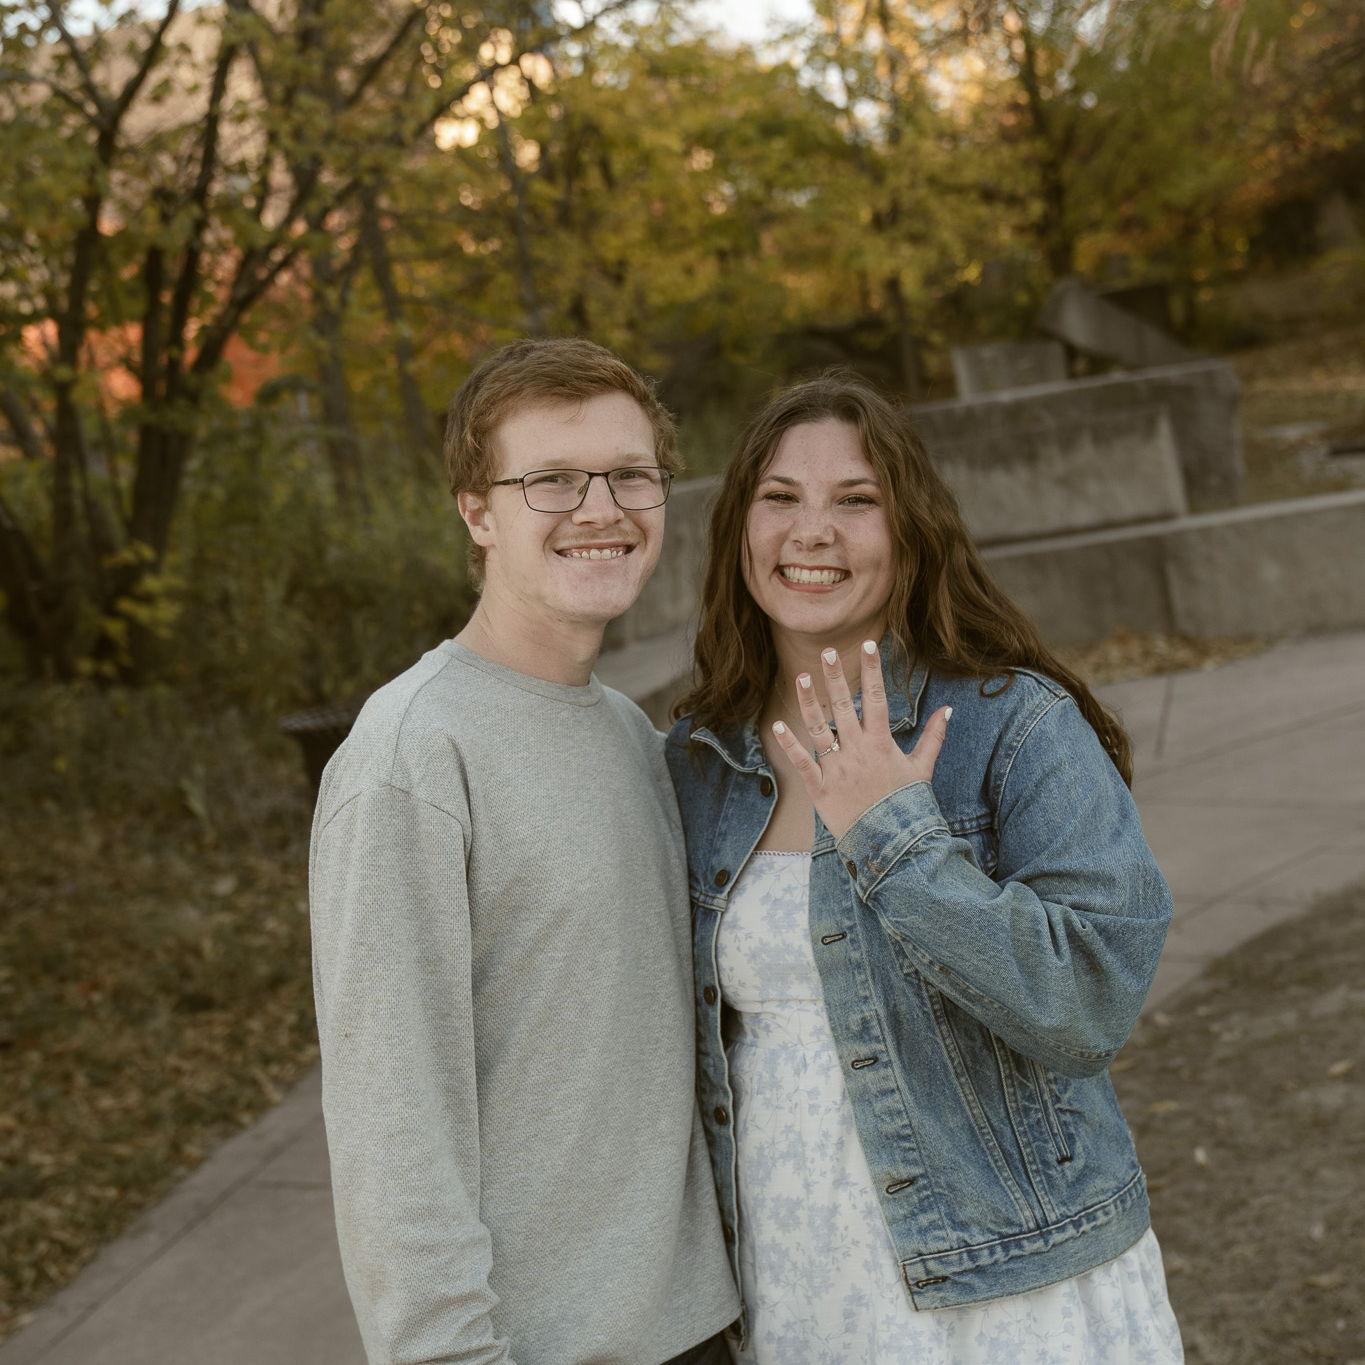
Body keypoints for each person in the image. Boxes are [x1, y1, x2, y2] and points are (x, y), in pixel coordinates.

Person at [665, 372, 1184, 1363]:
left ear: (910, 533)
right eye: (780, 498)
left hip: (1010, 1285)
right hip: (796, 1279)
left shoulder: (1013, 724)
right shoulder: (698, 763)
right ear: (738, 530)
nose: (811, 532)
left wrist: (895, 836)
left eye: (855, 501)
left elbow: (1088, 1002)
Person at [309, 338, 739, 1365]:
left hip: (704, 1331)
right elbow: (392, 1134)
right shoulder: (413, 760)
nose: (601, 509)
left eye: (630, 475)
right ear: (477, 511)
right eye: (551, 480)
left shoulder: (632, 738)